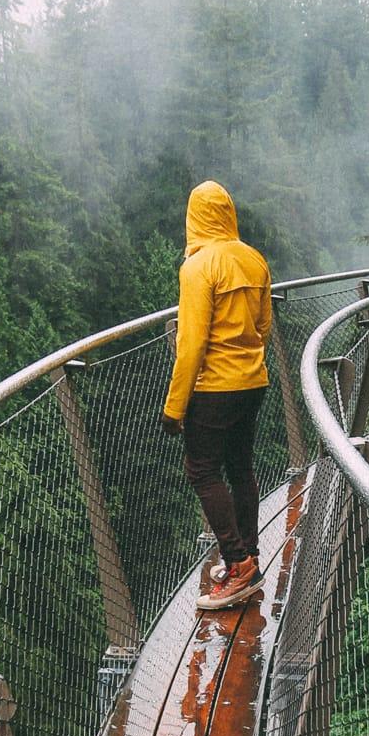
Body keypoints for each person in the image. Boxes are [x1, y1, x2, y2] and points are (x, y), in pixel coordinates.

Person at [161, 180, 272, 611]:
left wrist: (174, 408)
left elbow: (191, 345)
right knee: (240, 467)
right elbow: (262, 326)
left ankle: (238, 564)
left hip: (214, 389)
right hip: (253, 381)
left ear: (194, 216)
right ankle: (250, 553)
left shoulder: (197, 268)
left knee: (203, 471)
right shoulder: (253, 260)